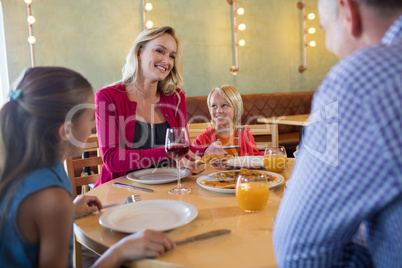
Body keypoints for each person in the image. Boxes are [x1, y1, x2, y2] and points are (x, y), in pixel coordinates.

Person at [0, 67, 175, 267]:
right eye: (91, 117)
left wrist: (70, 211)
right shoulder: (52, 199)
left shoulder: (29, 168)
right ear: (66, 130)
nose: (94, 127)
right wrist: (119, 252)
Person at [273, 0, 402, 267]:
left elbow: (299, 255)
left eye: (325, 29)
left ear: (348, 12)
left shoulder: (361, 81)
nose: (330, 47)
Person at [95, 26, 220, 186]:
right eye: (160, 51)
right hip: (121, 191)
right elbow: (113, 160)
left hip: (166, 187)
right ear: (139, 52)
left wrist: (205, 151)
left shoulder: (176, 97)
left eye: (172, 56)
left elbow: (183, 149)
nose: (167, 61)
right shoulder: (108, 97)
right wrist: (168, 151)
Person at [193, 85, 262, 156]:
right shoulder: (201, 140)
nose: (218, 111)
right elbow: (195, 162)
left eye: (224, 105)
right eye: (214, 106)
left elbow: (255, 158)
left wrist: (267, 154)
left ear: (237, 109)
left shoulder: (247, 138)